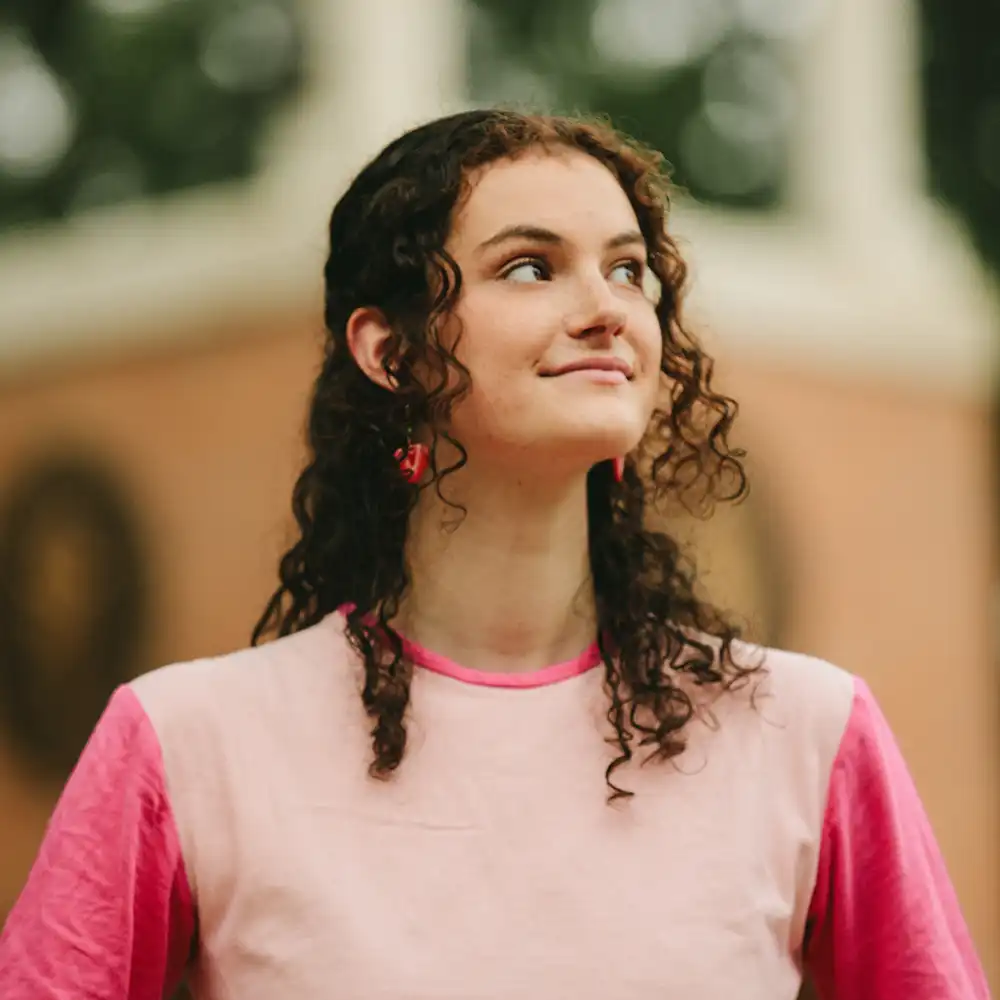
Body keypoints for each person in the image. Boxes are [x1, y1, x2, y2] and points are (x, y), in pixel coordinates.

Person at [0, 109, 990, 1000]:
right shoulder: (184, 741)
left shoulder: (807, 731)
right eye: (530, 265)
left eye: (627, 269)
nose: (606, 307)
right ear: (390, 350)